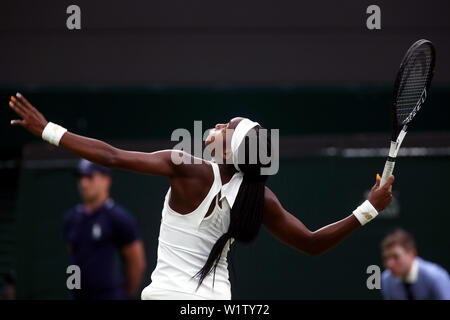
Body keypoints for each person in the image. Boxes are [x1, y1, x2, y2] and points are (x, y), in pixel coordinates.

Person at [8, 93, 394, 300]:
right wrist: (368, 210)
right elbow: (311, 244)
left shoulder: (185, 166)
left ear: (227, 151)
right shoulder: (260, 198)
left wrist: (49, 131)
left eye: (228, 126)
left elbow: (111, 156)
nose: (220, 124)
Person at [63, 159, 147, 300]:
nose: (84, 183)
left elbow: (137, 263)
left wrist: (124, 294)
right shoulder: (71, 218)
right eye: (81, 177)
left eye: (90, 177)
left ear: (106, 180)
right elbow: (74, 257)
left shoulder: (119, 218)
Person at [380, 228, 450, 300]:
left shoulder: (435, 277)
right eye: (386, 258)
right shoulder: (386, 280)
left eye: (396, 257)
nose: (389, 264)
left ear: (412, 254)